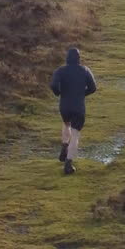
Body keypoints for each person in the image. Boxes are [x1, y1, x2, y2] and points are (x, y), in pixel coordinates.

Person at [50, 47, 97, 175]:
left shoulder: (60, 70)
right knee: (75, 134)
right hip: (78, 107)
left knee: (66, 124)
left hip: (64, 106)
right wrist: (82, 94)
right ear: (79, 58)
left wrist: (58, 93)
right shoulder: (85, 70)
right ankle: (68, 164)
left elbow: (53, 85)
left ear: (67, 58)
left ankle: (64, 146)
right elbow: (93, 87)